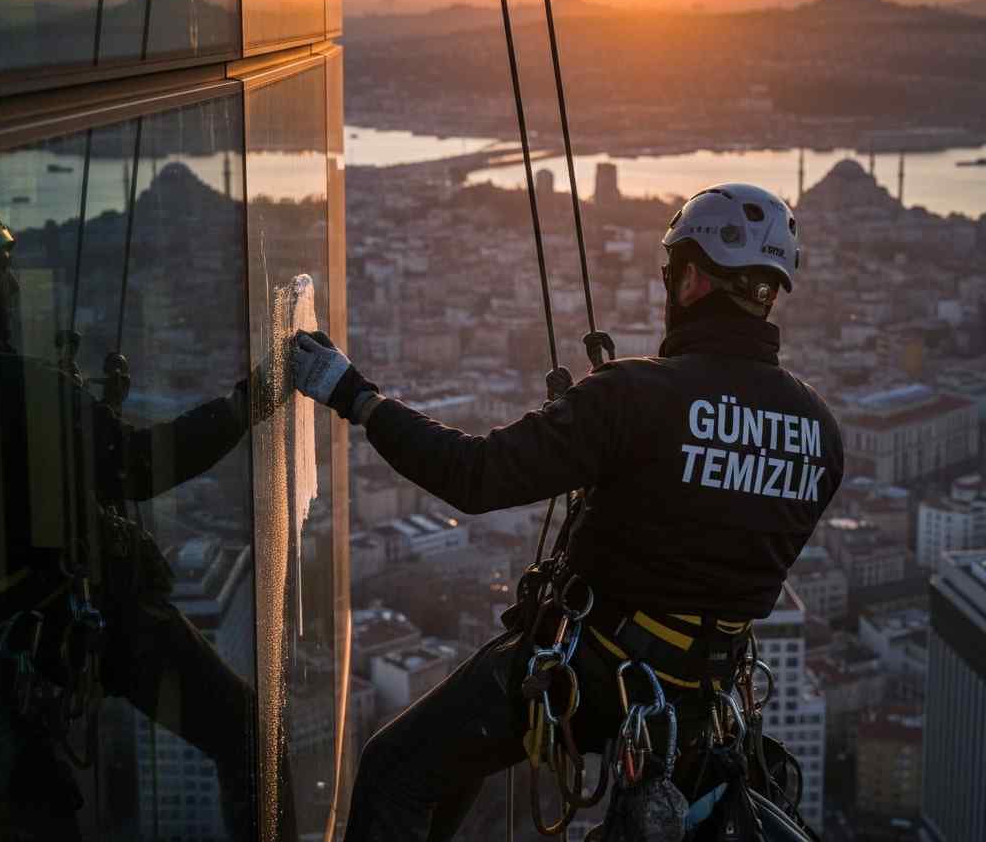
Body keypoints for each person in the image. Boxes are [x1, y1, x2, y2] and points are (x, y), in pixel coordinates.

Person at [292, 184, 845, 841]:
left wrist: (355, 396)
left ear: (692, 279)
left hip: (589, 675)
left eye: (671, 276)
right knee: (452, 770)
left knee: (395, 768)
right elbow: (721, 524)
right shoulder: (820, 431)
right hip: (701, 702)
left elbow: (475, 476)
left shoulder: (634, 397)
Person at [0, 197, 292, 839]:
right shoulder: (29, 391)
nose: (9, 288)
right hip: (78, 618)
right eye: (0, 274)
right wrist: (253, 398)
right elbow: (142, 467)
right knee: (248, 738)